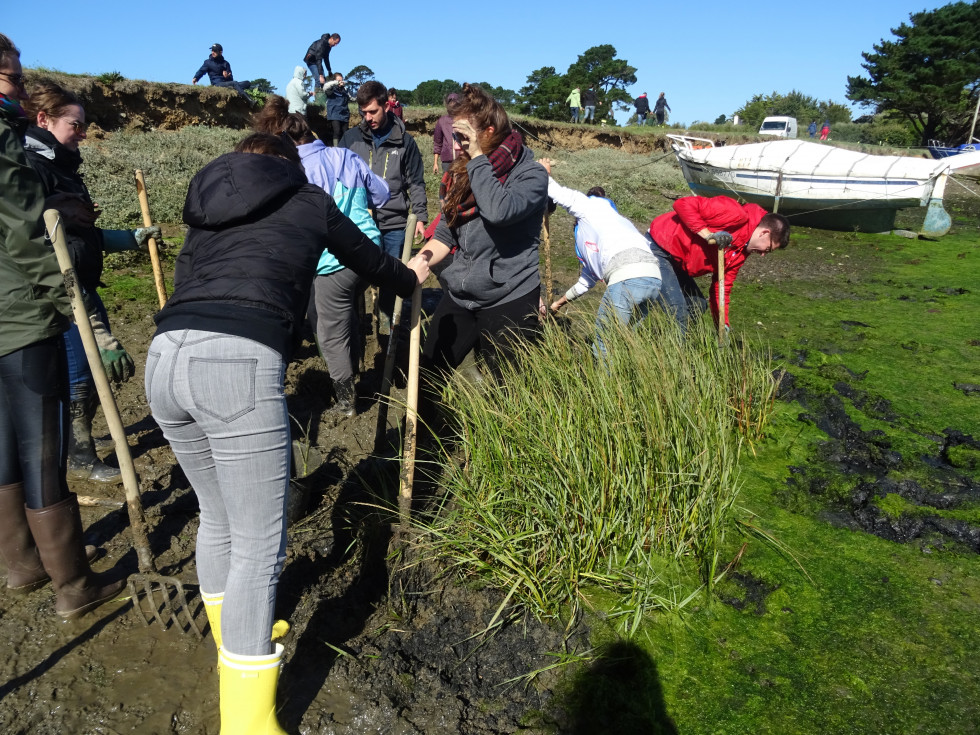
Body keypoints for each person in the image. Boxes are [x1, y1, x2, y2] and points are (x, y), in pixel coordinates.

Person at [145, 132, 428, 733]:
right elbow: (369, 261)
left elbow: (187, 274)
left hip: (164, 356)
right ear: (288, 167)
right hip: (235, 360)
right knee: (258, 545)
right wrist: (411, 279)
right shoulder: (308, 199)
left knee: (217, 516)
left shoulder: (206, 206)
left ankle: (234, 640)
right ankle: (247, 723)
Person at [0, 32, 125, 619]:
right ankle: (73, 585)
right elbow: (25, 230)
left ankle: (23, 563)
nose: (22, 89)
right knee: (41, 444)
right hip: (21, 313)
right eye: (13, 78)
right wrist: (64, 298)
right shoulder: (6, 142)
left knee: (4, 440)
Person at [23, 80, 162, 483]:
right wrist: (98, 331)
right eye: (76, 125)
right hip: (60, 291)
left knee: (87, 368)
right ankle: (80, 456)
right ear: (44, 119)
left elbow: (79, 235)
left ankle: (78, 440)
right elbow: (44, 247)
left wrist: (130, 238)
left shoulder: (61, 167)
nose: (83, 134)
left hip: (82, 282)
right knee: (81, 370)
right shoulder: (32, 169)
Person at [414, 83, 547, 415]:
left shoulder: (530, 175)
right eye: (455, 136)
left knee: (508, 391)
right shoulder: (462, 172)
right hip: (461, 294)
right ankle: (428, 435)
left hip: (509, 297)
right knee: (428, 375)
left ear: (489, 131)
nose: (457, 145)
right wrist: (421, 259)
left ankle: (501, 440)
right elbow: (445, 233)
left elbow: (499, 211)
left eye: (464, 137)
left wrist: (476, 158)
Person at [254, 96, 391, 415]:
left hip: (334, 262)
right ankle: (355, 363)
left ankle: (346, 402)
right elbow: (382, 194)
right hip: (371, 249)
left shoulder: (293, 170)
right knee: (347, 309)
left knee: (329, 334)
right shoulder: (344, 155)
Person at [541, 161, 662, 355]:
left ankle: (605, 373)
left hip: (627, 276)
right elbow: (586, 282)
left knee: (604, 343)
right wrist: (558, 304)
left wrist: (545, 175)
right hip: (654, 278)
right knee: (625, 340)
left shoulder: (590, 207)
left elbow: (561, 195)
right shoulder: (614, 223)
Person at [340, 80, 428, 336]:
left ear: (387, 106)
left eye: (373, 112)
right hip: (358, 223)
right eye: (363, 113)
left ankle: (387, 326)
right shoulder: (350, 139)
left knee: (391, 278)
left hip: (394, 223)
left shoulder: (405, 143)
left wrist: (421, 216)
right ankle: (357, 324)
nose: (367, 118)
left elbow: (416, 182)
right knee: (354, 276)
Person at [647, 195, 790, 331]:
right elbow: (682, 204)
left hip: (679, 263)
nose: (763, 254)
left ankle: (676, 340)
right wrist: (708, 235)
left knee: (698, 305)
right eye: (768, 249)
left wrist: (722, 325)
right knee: (678, 311)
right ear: (764, 233)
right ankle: (676, 345)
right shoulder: (733, 212)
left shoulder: (741, 252)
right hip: (660, 247)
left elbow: (722, 288)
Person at [432, 92, 460, 175]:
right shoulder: (442, 121)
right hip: (447, 161)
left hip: (462, 160)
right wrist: (435, 163)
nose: (452, 104)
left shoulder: (464, 119)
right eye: (450, 102)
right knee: (447, 181)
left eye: (455, 102)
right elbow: (437, 143)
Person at [324, 72, 350, 146]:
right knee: (337, 131)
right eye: (338, 80)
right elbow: (325, 87)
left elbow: (351, 98)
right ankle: (336, 147)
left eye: (341, 80)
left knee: (346, 132)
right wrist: (336, 83)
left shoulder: (345, 90)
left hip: (344, 114)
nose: (340, 82)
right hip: (334, 113)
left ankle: (345, 147)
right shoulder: (330, 89)